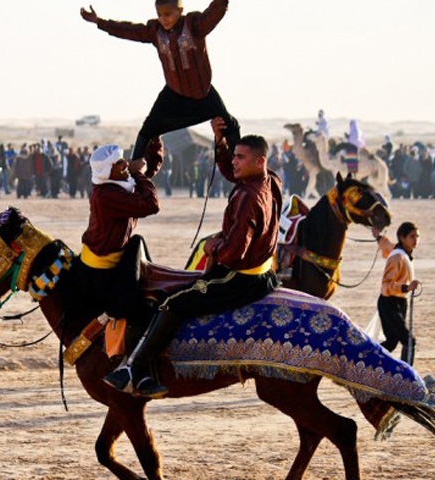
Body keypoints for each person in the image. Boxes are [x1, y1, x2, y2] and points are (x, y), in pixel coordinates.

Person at [104, 118, 282, 398]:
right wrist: (221, 141)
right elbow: (229, 170)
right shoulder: (270, 180)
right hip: (264, 275)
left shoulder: (249, 196)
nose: (233, 162)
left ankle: (133, 369)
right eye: (234, 156)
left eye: (240, 157)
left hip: (239, 280)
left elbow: (235, 252)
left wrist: (214, 248)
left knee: (173, 303)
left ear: (259, 162)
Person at [81, 0, 240, 159]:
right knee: (148, 130)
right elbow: (130, 30)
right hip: (173, 94)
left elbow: (214, 14)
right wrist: (99, 22)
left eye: (168, 14)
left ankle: (243, 171)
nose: (163, 19)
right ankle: (135, 172)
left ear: (180, 10)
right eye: (159, 15)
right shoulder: (155, 31)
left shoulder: (194, 26)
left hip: (202, 93)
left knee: (230, 127)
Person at [74, 138, 163, 382]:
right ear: (108, 171)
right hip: (101, 269)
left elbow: (140, 176)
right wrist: (141, 176)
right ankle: (131, 365)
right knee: (138, 309)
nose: (125, 164)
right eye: (119, 163)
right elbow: (151, 204)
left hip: (116, 255)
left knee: (138, 244)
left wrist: (153, 146)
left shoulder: (119, 185)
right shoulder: (107, 195)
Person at [372, 222, 421, 364]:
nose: (415, 240)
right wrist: (406, 287)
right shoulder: (397, 257)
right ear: (402, 237)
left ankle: (371, 363)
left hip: (400, 302)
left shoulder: (401, 252)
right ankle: (408, 375)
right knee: (409, 340)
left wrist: (378, 237)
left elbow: (386, 246)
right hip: (389, 302)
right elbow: (386, 285)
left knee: (392, 341)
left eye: (417, 236)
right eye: (412, 236)